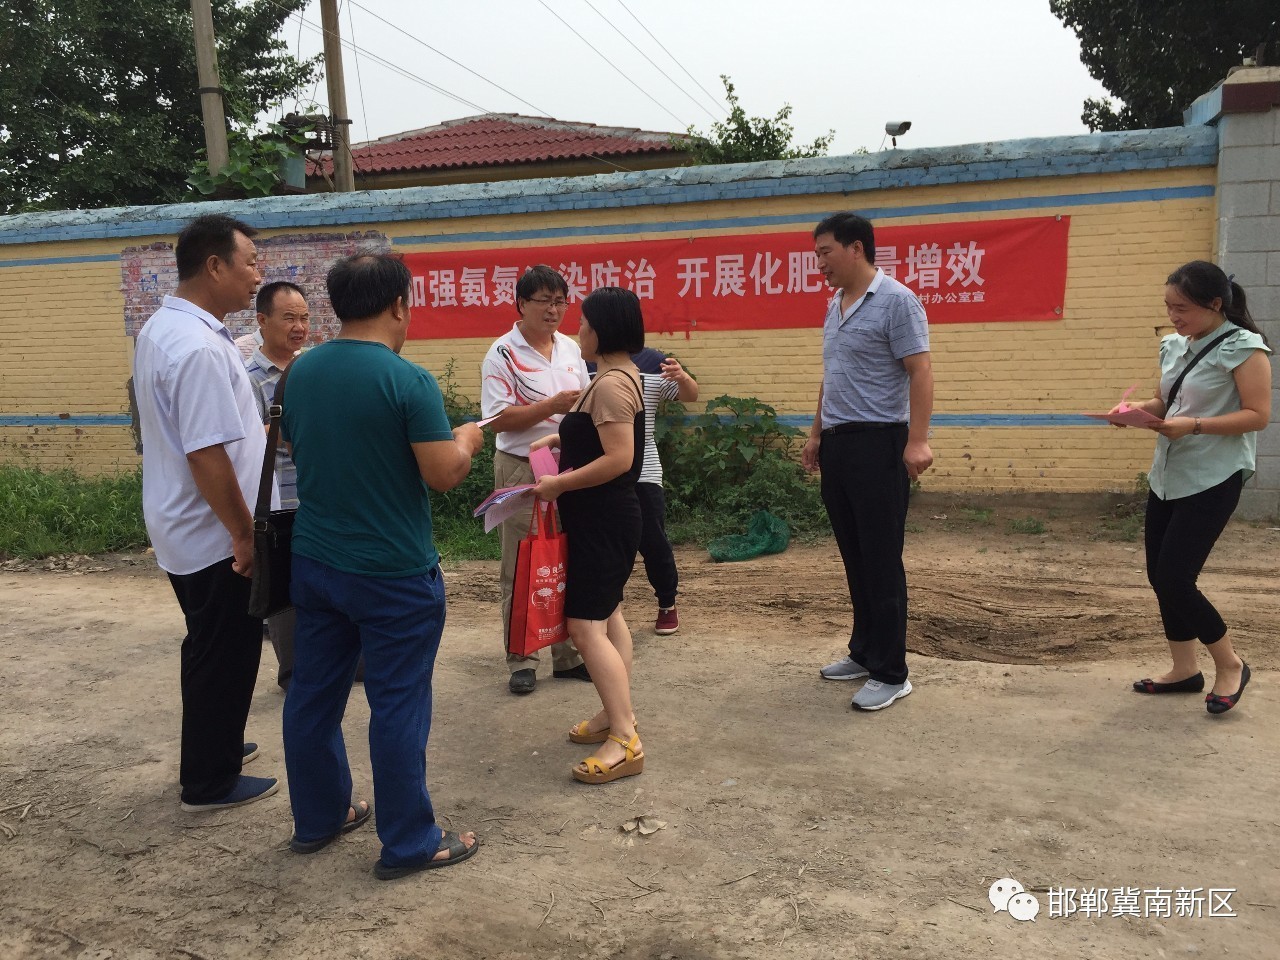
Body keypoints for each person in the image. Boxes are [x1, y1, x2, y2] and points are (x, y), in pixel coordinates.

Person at [280, 253, 483, 877]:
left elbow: (300, 446)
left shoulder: (301, 372)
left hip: (314, 562)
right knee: (397, 704)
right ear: (400, 304)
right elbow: (443, 473)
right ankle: (410, 842)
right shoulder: (407, 380)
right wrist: (468, 439)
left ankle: (319, 817)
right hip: (393, 573)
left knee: (312, 693)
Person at [131, 213, 279, 811]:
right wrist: (244, 535)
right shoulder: (194, 347)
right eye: (250, 263)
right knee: (225, 650)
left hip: (185, 524)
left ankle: (213, 744)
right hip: (213, 532)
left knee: (209, 644)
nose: (257, 276)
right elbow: (207, 453)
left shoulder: (170, 329)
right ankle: (209, 781)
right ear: (214, 266)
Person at [1116, 261, 1270, 714]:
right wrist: (1134, 411)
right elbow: (1168, 400)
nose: (1174, 316)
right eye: (1168, 307)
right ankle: (1184, 669)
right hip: (1168, 475)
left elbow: (1257, 414)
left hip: (1214, 476)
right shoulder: (1174, 346)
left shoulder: (1245, 349)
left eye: (1181, 307)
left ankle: (1231, 664)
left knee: (1176, 578)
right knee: (1158, 575)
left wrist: (1196, 426)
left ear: (1215, 304)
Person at [803, 212, 934, 712]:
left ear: (855, 248)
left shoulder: (898, 301)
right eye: (816, 255)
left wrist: (917, 441)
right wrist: (816, 433)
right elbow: (831, 375)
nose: (820, 264)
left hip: (881, 443)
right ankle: (864, 651)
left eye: (825, 252)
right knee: (854, 554)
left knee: (880, 558)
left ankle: (892, 670)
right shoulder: (835, 305)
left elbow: (920, 371)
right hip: (839, 444)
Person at [532, 286, 646, 784]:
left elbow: (619, 457)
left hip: (604, 518)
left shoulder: (613, 383)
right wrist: (560, 437)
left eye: (581, 322)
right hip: (600, 518)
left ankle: (624, 737)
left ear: (600, 330)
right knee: (608, 613)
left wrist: (558, 482)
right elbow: (599, 433)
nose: (575, 329)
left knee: (583, 626)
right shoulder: (612, 377)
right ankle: (613, 710)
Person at [481, 265, 590, 695]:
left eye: (560, 300)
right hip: (521, 465)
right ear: (521, 304)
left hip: (568, 465)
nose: (553, 309)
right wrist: (552, 405)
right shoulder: (502, 353)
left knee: (567, 558)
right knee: (523, 561)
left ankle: (568, 656)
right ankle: (521, 658)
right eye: (543, 300)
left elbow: (581, 407)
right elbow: (497, 419)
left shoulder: (570, 349)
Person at [588, 347, 698, 634]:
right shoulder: (585, 360)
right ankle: (609, 608)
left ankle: (667, 602)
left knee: (652, 539)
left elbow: (689, 395)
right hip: (599, 465)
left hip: (644, 467)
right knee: (605, 544)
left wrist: (682, 377)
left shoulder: (653, 361)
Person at [244, 281, 310, 690]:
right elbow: (251, 437)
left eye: (304, 317)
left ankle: (335, 661)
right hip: (276, 496)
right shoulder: (246, 378)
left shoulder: (311, 369)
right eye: (289, 318)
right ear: (262, 322)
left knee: (319, 576)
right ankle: (292, 672)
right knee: (283, 583)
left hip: (315, 491)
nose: (299, 326)